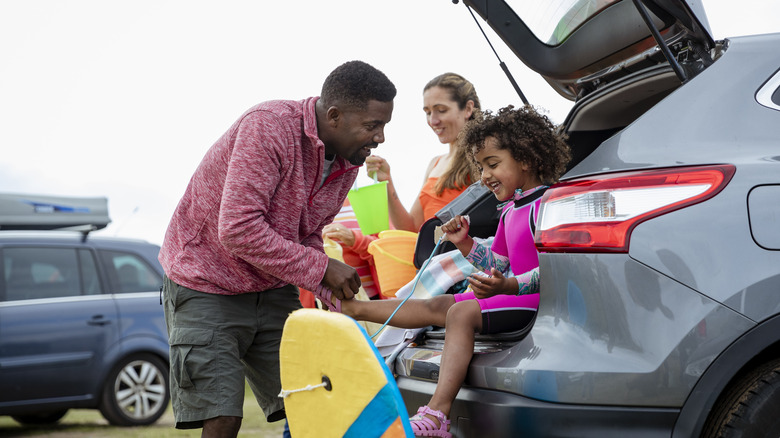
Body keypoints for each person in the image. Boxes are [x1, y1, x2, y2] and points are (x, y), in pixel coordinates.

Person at [158, 60, 396, 438]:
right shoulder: (268, 127)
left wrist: (326, 288)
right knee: (224, 416)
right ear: (334, 116)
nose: (380, 137)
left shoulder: (349, 158)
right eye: (372, 125)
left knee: (311, 397)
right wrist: (321, 270)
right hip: (207, 279)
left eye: (383, 126)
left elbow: (309, 232)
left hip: (269, 285)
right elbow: (237, 229)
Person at [316, 105, 571, 437]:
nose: (485, 176)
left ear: (525, 159)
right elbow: (497, 265)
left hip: (535, 302)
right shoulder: (510, 213)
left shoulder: (547, 206)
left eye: (493, 164)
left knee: (460, 312)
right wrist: (464, 243)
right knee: (438, 304)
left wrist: (507, 286)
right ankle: (352, 309)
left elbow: (553, 273)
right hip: (510, 296)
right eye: (481, 167)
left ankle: (437, 414)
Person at [365, 72, 481, 232]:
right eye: (428, 112)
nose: (433, 121)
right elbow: (411, 227)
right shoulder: (435, 163)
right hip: (433, 256)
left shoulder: (481, 158)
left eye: (441, 110)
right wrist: (387, 181)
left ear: (468, 108)